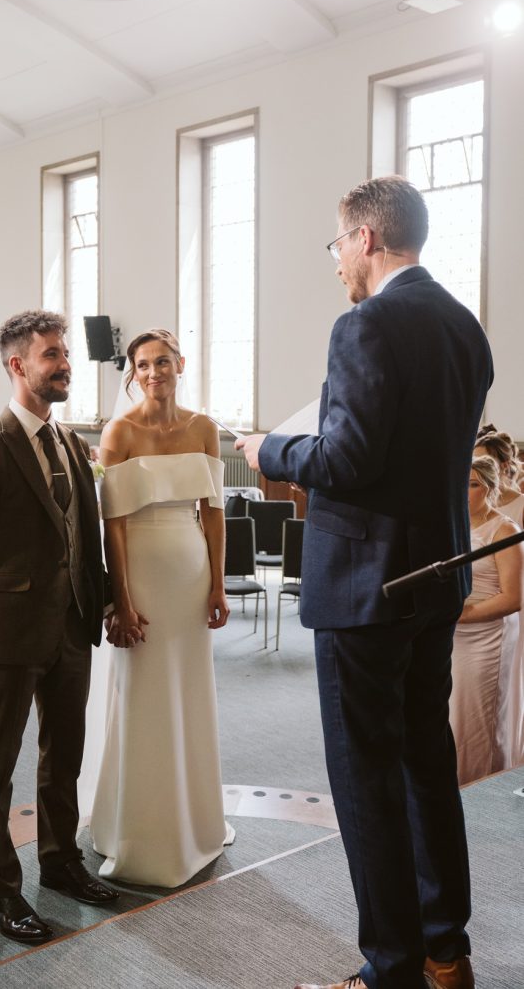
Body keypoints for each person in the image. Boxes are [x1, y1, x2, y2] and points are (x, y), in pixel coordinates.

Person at [238, 177, 493, 989]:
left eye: (336, 245)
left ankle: (390, 970)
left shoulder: (365, 324)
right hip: (434, 577)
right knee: (425, 765)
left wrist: (268, 450)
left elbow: (346, 458)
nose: (336, 262)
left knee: (365, 781)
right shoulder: (464, 326)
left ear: (366, 239)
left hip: (364, 587)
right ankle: (444, 952)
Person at [0, 309, 118, 947]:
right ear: (18, 365)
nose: (66, 364)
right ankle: (2, 893)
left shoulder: (69, 442)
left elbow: (85, 535)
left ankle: (60, 862)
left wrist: (99, 601)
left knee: (63, 757)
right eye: (52, 355)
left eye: (65, 353)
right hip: (7, 632)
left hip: (71, 626)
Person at [89, 328, 233, 887]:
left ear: (180, 364)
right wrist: (121, 601)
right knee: (144, 692)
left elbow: (213, 512)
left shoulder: (203, 429)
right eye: (144, 365)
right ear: (133, 373)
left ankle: (194, 820)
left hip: (192, 576)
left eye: (163, 362)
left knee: (189, 690)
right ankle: (137, 831)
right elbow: (114, 526)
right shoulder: (120, 431)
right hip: (143, 577)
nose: (154, 372)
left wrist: (218, 584)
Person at [450, 456, 524, 785]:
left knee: (479, 717)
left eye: (473, 484)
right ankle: (452, 784)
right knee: (453, 714)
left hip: (486, 636)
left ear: (491, 488)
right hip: (450, 634)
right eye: (459, 484)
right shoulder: (451, 526)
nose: (464, 491)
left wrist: (464, 615)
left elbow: (512, 597)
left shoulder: (504, 530)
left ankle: (481, 785)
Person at [473, 430, 524, 525]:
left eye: (486, 462)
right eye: (476, 462)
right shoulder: (472, 503)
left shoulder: (521, 505)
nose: (478, 469)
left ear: (505, 466)